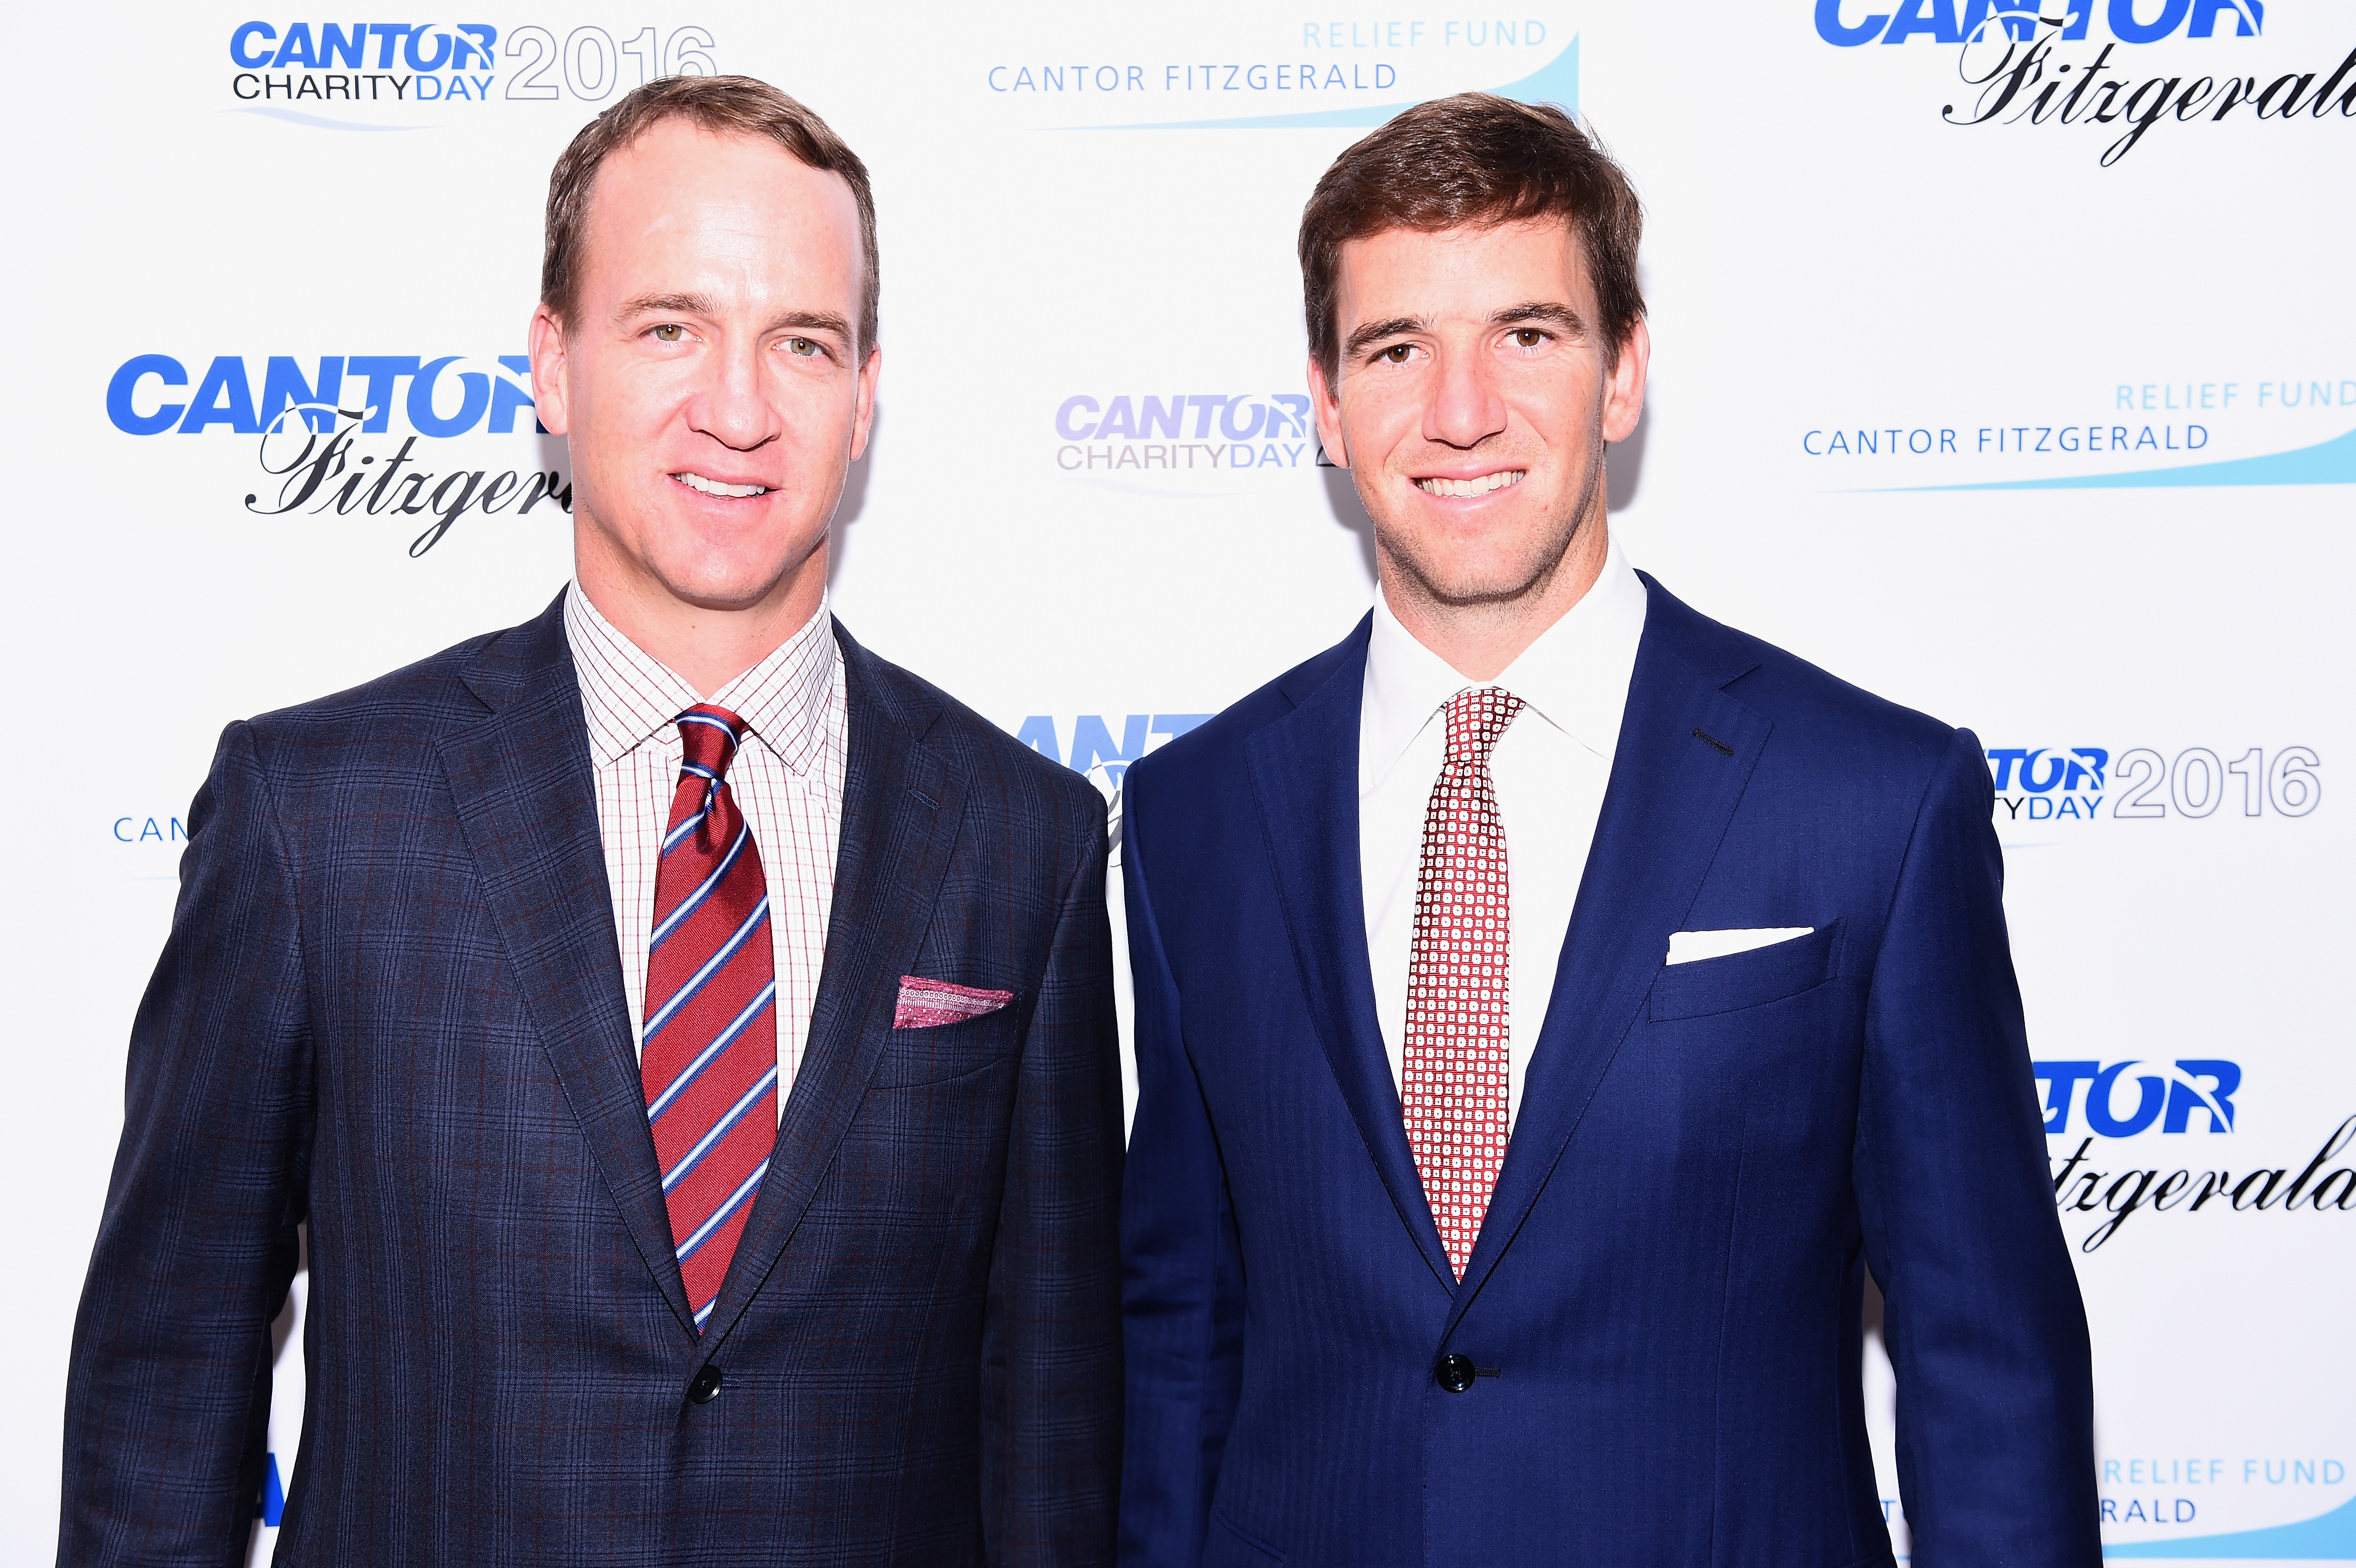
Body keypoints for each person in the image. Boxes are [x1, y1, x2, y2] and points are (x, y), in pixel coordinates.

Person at [61, 75, 1121, 1566]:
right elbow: (167, 1386)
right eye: (669, 327)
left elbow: (1055, 1436)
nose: (738, 406)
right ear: (552, 365)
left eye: (801, 342)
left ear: (868, 390)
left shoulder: (1029, 846)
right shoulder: (316, 819)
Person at [1117, 94, 2097, 1567]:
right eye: (1397, 349)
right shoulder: (1193, 818)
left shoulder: (1872, 801)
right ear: (1324, 403)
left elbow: (1987, 1367)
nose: (1462, 409)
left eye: (1528, 334)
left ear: (1623, 371)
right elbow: (1183, 1340)